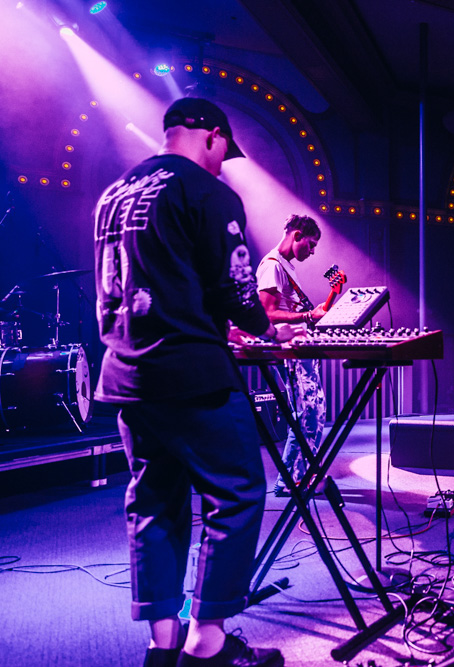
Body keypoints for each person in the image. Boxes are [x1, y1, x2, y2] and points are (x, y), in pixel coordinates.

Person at [94, 97, 287, 667]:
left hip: (128, 374)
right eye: (225, 151)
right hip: (192, 372)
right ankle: (209, 643)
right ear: (211, 135)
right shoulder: (208, 192)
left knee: (154, 502)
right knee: (238, 493)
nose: (225, 162)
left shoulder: (113, 194)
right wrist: (261, 327)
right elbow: (234, 286)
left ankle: (163, 645)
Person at [255, 214, 332, 496]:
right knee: (307, 413)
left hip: (299, 351)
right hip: (289, 352)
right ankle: (291, 479)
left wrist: (309, 316)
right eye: (310, 244)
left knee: (310, 413)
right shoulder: (273, 266)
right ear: (297, 235)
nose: (312, 252)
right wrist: (308, 315)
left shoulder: (285, 266)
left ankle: (295, 476)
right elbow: (266, 314)